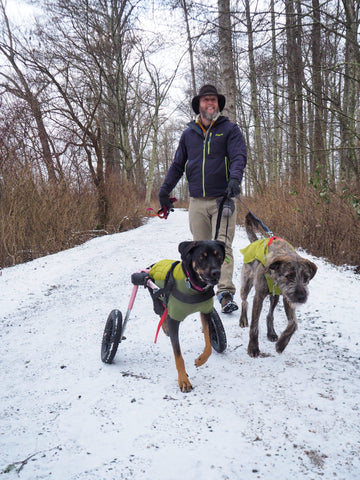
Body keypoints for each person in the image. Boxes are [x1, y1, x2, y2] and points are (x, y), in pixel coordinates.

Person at [158, 84, 247, 313]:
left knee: (223, 246)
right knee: (200, 249)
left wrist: (235, 179)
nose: (210, 104)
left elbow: (238, 156)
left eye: (213, 100)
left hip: (223, 199)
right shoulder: (189, 134)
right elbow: (178, 165)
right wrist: (164, 190)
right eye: (206, 100)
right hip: (196, 201)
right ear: (199, 105)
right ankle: (202, 288)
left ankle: (225, 293)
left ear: (218, 104)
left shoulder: (230, 130)